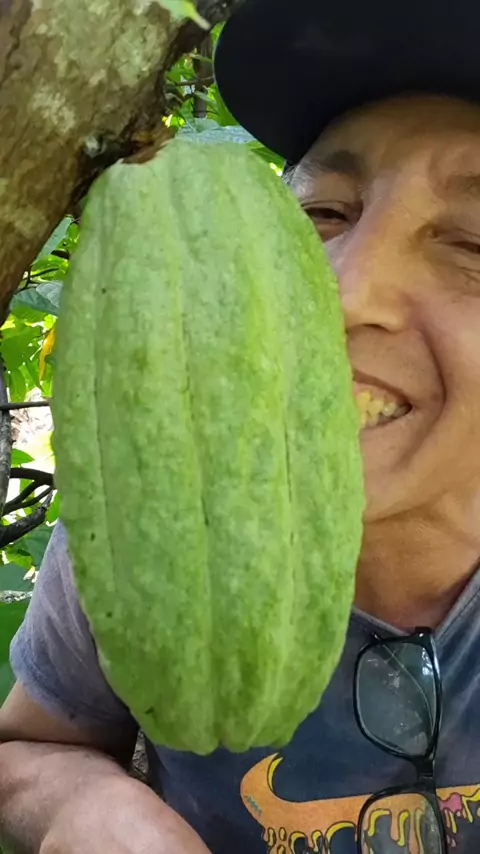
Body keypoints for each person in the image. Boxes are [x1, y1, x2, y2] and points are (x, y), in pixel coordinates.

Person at [2, 0, 480, 851]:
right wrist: (80, 806)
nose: (347, 294)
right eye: (322, 215)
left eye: (473, 246)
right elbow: (30, 748)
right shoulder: (142, 523)